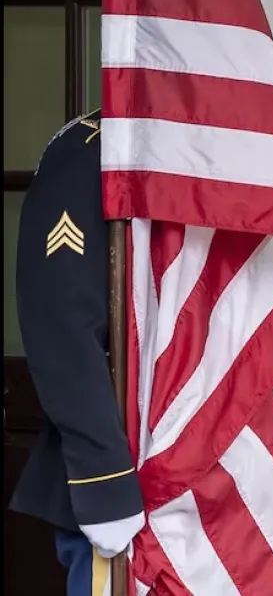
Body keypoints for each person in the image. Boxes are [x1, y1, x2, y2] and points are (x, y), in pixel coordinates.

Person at [9, 106, 147, 595]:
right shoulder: (90, 148)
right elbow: (62, 322)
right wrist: (106, 482)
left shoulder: (215, 140)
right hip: (119, 460)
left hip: (204, 468)